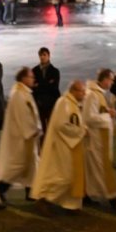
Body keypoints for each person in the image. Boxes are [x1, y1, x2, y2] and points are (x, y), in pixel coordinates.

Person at [32, 80, 89, 211]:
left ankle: (71, 205)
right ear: (74, 91)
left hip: (70, 144)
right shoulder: (64, 103)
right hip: (62, 145)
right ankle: (46, 199)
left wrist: (82, 128)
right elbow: (61, 125)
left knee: (73, 175)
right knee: (65, 176)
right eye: (82, 91)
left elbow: (74, 122)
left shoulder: (72, 103)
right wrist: (81, 131)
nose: (84, 93)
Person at [0, 67, 42, 202]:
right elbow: (23, 116)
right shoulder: (18, 94)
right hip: (21, 138)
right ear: (23, 78)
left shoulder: (24, 93)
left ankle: (32, 193)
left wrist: (36, 128)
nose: (33, 79)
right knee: (16, 167)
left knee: (32, 166)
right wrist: (33, 130)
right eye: (31, 77)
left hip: (27, 137)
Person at [84, 69, 116, 204]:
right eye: (111, 80)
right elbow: (88, 117)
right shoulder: (92, 95)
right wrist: (108, 116)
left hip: (102, 140)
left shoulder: (100, 94)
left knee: (97, 170)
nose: (112, 83)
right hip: (96, 140)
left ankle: (89, 194)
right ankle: (112, 196)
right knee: (101, 169)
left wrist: (108, 113)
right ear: (104, 79)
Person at [32, 47, 62, 130]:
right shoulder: (34, 71)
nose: (42, 57)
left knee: (52, 128)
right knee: (41, 129)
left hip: (51, 103)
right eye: (40, 55)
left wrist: (39, 85)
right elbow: (33, 89)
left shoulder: (55, 71)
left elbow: (54, 87)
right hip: (39, 104)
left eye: (44, 55)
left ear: (49, 56)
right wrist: (47, 83)